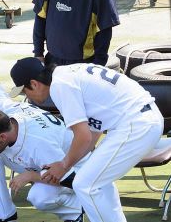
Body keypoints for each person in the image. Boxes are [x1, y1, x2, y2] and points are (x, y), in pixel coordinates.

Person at [9, 57, 164, 222]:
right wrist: (67, 162)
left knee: (85, 185)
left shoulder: (60, 87)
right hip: (141, 119)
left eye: (25, 91)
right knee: (96, 181)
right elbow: (92, 133)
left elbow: (83, 136)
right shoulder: (65, 74)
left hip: (135, 124)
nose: (28, 97)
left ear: (34, 83)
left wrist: (63, 165)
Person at [0, 75, 87, 222]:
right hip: (39, 162)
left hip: (74, 167)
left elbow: (73, 180)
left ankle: (76, 208)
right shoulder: (2, 110)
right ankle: (1, 213)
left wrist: (31, 176)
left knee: (40, 196)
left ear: (2, 137)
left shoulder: (39, 144)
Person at [32, 0, 120, 66]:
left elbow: (104, 30)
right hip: (52, 60)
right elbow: (40, 17)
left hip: (83, 63)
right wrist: (38, 53)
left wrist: (97, 65)